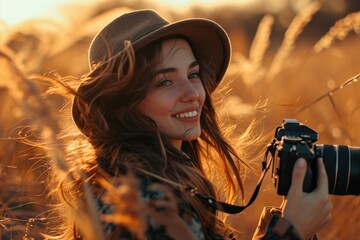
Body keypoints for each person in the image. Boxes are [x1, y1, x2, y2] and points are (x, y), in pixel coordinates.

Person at [51, 9, 332, 239]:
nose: (193, 94)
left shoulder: (138, 179)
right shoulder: (147, 202)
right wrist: (292, 232)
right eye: (165, 81)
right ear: (123, 104)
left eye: (193, 74)